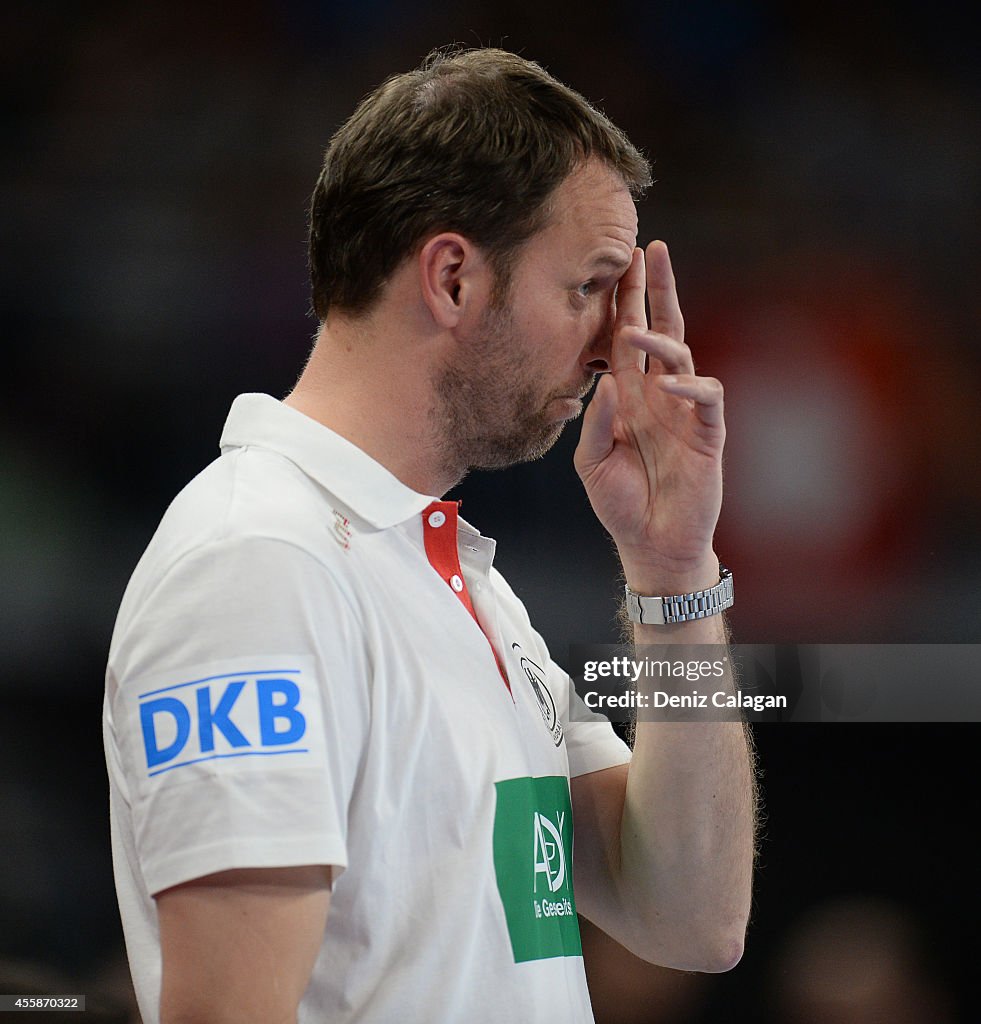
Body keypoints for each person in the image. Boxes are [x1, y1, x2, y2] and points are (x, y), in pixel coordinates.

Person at [103, 46, 756, 1024]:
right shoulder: (260, 563)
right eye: (590, 286)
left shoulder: (461, 585)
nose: (615, 345)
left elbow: (691, 917)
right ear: (452, 278)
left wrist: (674, 574)